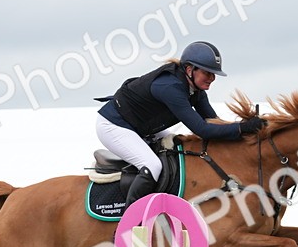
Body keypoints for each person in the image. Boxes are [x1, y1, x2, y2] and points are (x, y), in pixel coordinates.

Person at [96, 41, 267, 206]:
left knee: (178, 146)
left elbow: (213, 122)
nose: (212, 78)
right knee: (152, 165)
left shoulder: (195, 90)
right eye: (207, 72)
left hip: (140, 127)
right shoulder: (170, 88)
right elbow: (202, 130)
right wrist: (242, 128)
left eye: (213, 74)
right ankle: (128, 223)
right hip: (114, 126)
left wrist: (245, 127)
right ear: (189, 69)